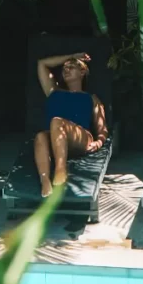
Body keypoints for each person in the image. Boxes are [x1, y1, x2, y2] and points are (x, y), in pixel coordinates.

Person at [34, 51, 108, 197]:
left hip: (80, 138)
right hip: (55, 139)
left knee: (56, 122)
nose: (66, 70)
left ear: (83, 71)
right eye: (64, 68)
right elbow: (42, 63)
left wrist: (99, 143)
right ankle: (45, 180)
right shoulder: (53, 91)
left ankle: (60, 170)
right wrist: (71, 57)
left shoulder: (91, 98)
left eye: (71, 67)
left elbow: (102, 129)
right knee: (40, 136)